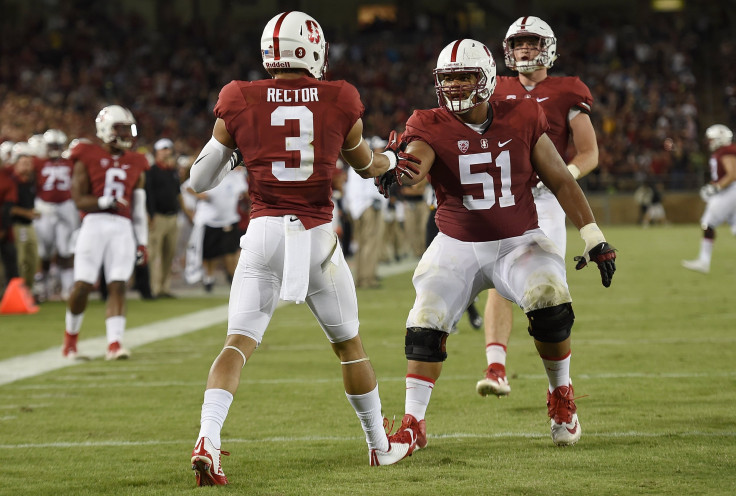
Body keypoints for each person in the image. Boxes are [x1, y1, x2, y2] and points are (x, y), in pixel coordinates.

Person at [186, 11, 421, 486]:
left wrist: (236, 151)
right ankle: (379, 445)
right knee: (349, 346)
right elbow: (365, 164)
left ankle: (208, 438)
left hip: (263, 234)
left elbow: (198, 180)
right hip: (315, 236)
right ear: (312, 50)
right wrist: (394, 158)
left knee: (237, 342)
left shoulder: (239, 96)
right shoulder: (339, 97)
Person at [375, 39, 616, 451]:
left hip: (518, 240)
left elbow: (560, 178)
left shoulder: (522, 114)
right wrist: (394, 166)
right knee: (424, 320)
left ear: (485, 79)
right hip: (458, 242)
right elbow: (414, 165)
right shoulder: (428, 122)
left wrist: (594, 236)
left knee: (551, 299)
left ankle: (562, 397)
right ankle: (414, 422)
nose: (453, 87)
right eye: (447, 79)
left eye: (463, 77)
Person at [477, 16, 600, 398]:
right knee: (500, 277)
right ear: (507, 50)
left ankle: (558, 384)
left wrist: (564, 175)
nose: (524, 50)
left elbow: (589, 152)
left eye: (531, 43)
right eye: (518, 44)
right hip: (505, 196)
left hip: (547, 200)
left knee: (548, 289)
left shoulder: (567, 90)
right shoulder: (495, 88)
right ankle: (495, 368)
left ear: (548, 47)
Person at [61, 105, 149, 360]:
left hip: (122, 228)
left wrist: (142, 242)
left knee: (119, 284)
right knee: (83, 284)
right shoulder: (86, 153)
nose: (126, 134)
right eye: (120, 129)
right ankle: (70, 341)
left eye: (128, 129)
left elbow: (139, 209)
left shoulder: (137, 161)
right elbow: (79, 199)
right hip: (94, 223)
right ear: (105, 130)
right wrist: (104, 202)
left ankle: (115, 344)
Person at [32, 129, 79, 301]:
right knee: (44, 251)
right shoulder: (37, 162)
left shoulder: (70, 163)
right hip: (44, 207)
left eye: (57, 145)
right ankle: (42, 286)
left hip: (65, 205)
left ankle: (68, 288)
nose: (55, 148)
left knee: (66, 249)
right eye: (52, 145)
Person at [682, 124, 736, 273]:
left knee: (708, 223)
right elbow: (723, 175)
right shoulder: (721, 152)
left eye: (712, 139)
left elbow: (732, 174)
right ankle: (703, 261)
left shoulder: (726, 152)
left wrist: (716, 188)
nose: (709, 142)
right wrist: (712, 186)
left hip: (731, 190)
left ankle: (704, 261)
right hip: (729, 190)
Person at [146, 138, 184, 298]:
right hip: (158, 217)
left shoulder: (172, 172)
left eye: (168, 149)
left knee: (169, 254)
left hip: (172, 217)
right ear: (156, 152)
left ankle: (164, 288)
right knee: (154, 254)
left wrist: (184, 211)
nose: (166, 152)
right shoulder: (151, 171)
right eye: (163, 149)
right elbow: (148, 195)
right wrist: (150, 215)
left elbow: (177, 193)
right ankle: (153, 288)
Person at [8, 142, 41, 294]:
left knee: (33, 259)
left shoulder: (29, 181)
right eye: (24, 163)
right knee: (20, 260)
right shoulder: (12, 182)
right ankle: (17, 293)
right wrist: (27, 213)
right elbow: (9, 207)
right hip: (17, 225)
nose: (27, 166)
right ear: (16, 164)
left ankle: (27, 291)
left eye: (29, 163)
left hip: (29, 225)